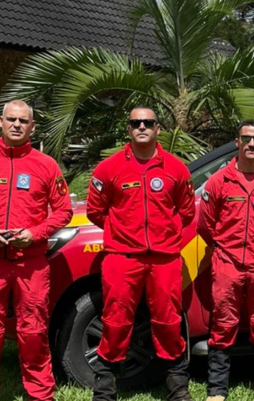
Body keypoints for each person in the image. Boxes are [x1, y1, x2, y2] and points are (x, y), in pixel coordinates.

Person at [0, 100, 73, 401]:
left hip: (31, 264)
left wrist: (34, 234)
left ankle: (40, 395)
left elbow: (63, 211)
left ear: (32, 127)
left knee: (33, 334)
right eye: (11, 119)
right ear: (0, 123)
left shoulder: (46, 165)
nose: (17, 125)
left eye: (23, 121)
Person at [85, 108, 196, 401]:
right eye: (136, 123)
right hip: (122, 258)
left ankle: (177, 389)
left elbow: (186, 212)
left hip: (165, 259)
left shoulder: (176, 169)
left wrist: (164, 236)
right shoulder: (108, 169)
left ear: (158, 128)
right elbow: (96, 211)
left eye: (148, 122)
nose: (142, 127)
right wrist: (123, 233)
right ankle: (105, 390)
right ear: (129, 129)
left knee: (168, 321)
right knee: (116, 320)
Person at [198, 120, 254, 401]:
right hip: (227, 264)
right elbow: (205, 224)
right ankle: (216, 390)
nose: (252, 144)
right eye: (246, 139)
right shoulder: (218, 181)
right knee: (223, 325)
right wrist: (225, 247)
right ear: (237, 142)